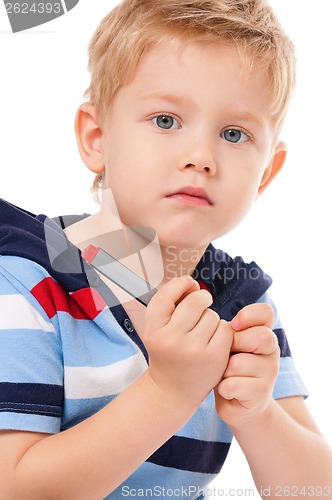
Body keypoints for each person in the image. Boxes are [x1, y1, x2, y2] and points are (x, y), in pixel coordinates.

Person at [0, 0, 331, 498]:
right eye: (166, 120)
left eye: (234, 134)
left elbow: (313, 490)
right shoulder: (30, 283)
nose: (200, 157)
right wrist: (168, 390)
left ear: (266, 174)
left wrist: (258, 413)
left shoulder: (241, 305)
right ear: (96, 138)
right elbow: (15, 487)